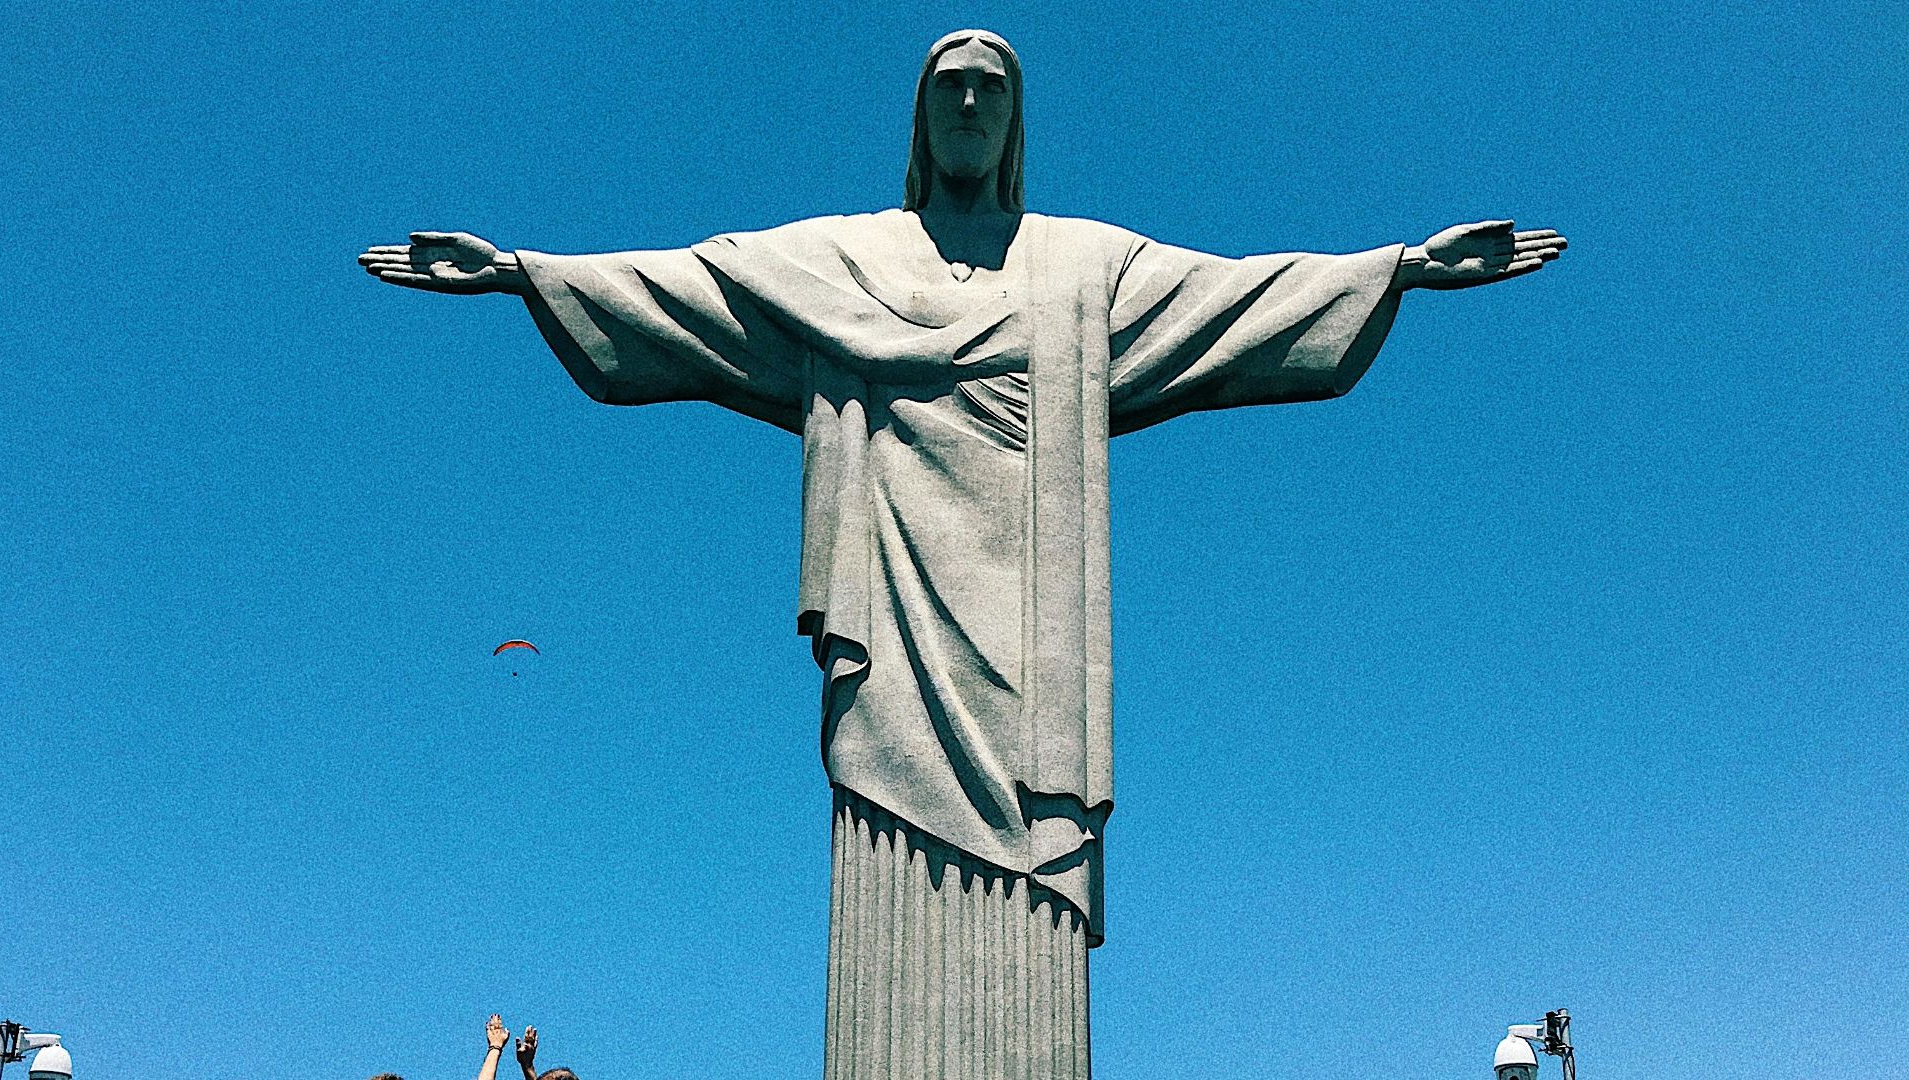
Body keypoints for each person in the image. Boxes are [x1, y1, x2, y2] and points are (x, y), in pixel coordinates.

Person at [360, 29, 1564, 1080]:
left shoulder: (1082, 267)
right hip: (891, 613)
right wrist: (523, 272)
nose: (973, 104)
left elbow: (1236, 301)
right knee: (883, 850)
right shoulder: (845, 261)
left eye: (993, 88)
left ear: (1017, 118)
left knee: (1033, 868)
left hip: (1034, 644)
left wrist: (1399, 268)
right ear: (922, 118)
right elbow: (692, 288)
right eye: (951, 87)